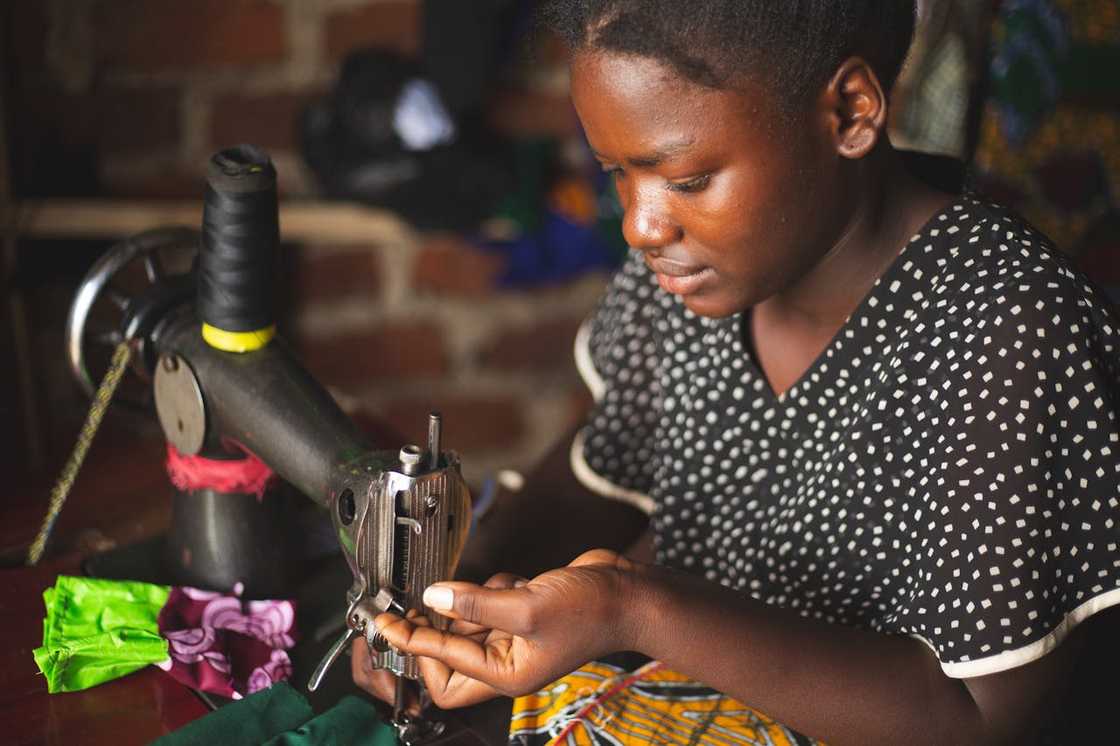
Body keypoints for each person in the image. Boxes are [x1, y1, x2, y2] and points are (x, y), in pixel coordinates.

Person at [352, 2, 1120, 743]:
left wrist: (634, 609)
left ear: (850, 112)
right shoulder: (694, 276)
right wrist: (450, 595)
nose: (640, 224)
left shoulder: (1009, 327)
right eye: (618, 171)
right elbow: (599, 474)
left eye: (685, 180)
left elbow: (971, 716)